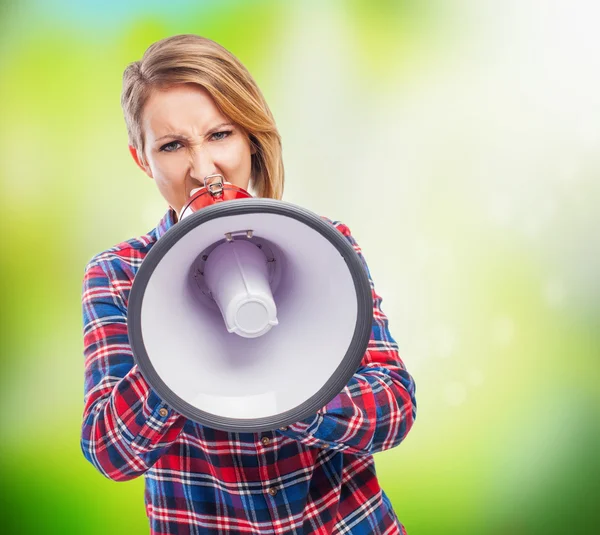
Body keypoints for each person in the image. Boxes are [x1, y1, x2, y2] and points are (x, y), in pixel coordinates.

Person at [81, 34, 417, 535]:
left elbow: (396, 406)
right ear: (143, 160)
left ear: (251, 136)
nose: (203, 169)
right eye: (172, 145)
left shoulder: (326, 247)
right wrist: (173, 350)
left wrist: (298, 393)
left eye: (220, 135)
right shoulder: (119, 276)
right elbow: (112, 454)